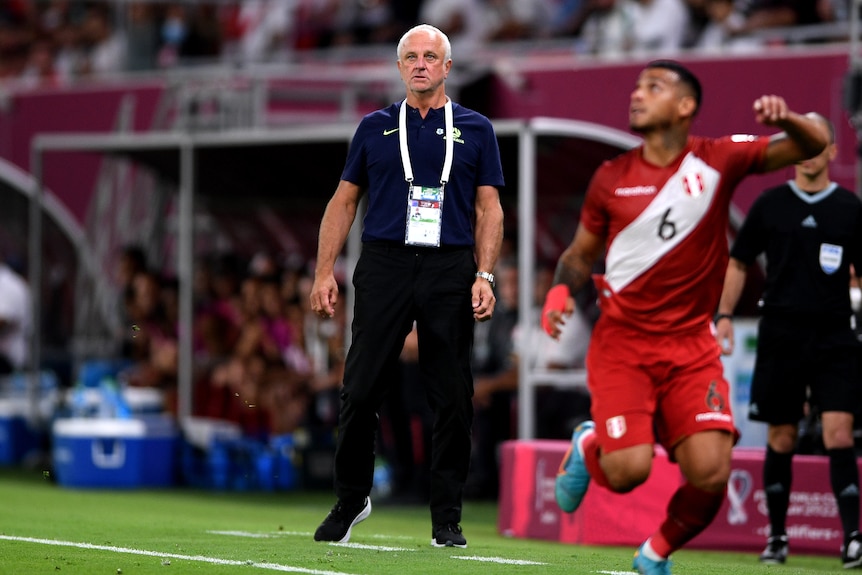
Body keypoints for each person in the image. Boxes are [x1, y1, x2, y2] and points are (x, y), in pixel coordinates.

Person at [541, 59, 828, 575]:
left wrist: (787, 119)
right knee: (627, 472)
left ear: (685, 106)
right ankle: (590, 442)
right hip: (623, 345)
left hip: (690, 347)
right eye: (636, 86)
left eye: (653, 86)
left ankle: (654, 555)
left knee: (711, 472)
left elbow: (813, 142)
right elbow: (581, 253)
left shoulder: (718, 159)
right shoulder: (610, 177)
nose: (637, 94)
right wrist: (560, 290)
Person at [309, 23, 505, 548]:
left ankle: (447, 516)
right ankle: (352, 500)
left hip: (450, 264)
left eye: (430, 56)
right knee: (360, 386)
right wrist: (324, 269)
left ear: (447, 67)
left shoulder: (477, 128)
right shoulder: (374, 127)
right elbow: (343, 200)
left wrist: (485, 274)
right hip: (385, 262)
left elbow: (489, 207)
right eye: (410, 57)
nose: (420, 64)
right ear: (400, 68)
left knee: (452, 396)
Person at [714, 113, 862, 568]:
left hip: (835, 335)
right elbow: (738, 262)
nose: (811, 150)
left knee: (839, 431)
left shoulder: (851, 209)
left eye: (819, 143)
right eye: (802, 142)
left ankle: (853, 538)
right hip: (780, 333)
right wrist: (722, 315)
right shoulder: (770, 205)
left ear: (833, 151)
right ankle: (777, 537)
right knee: (781, 435)